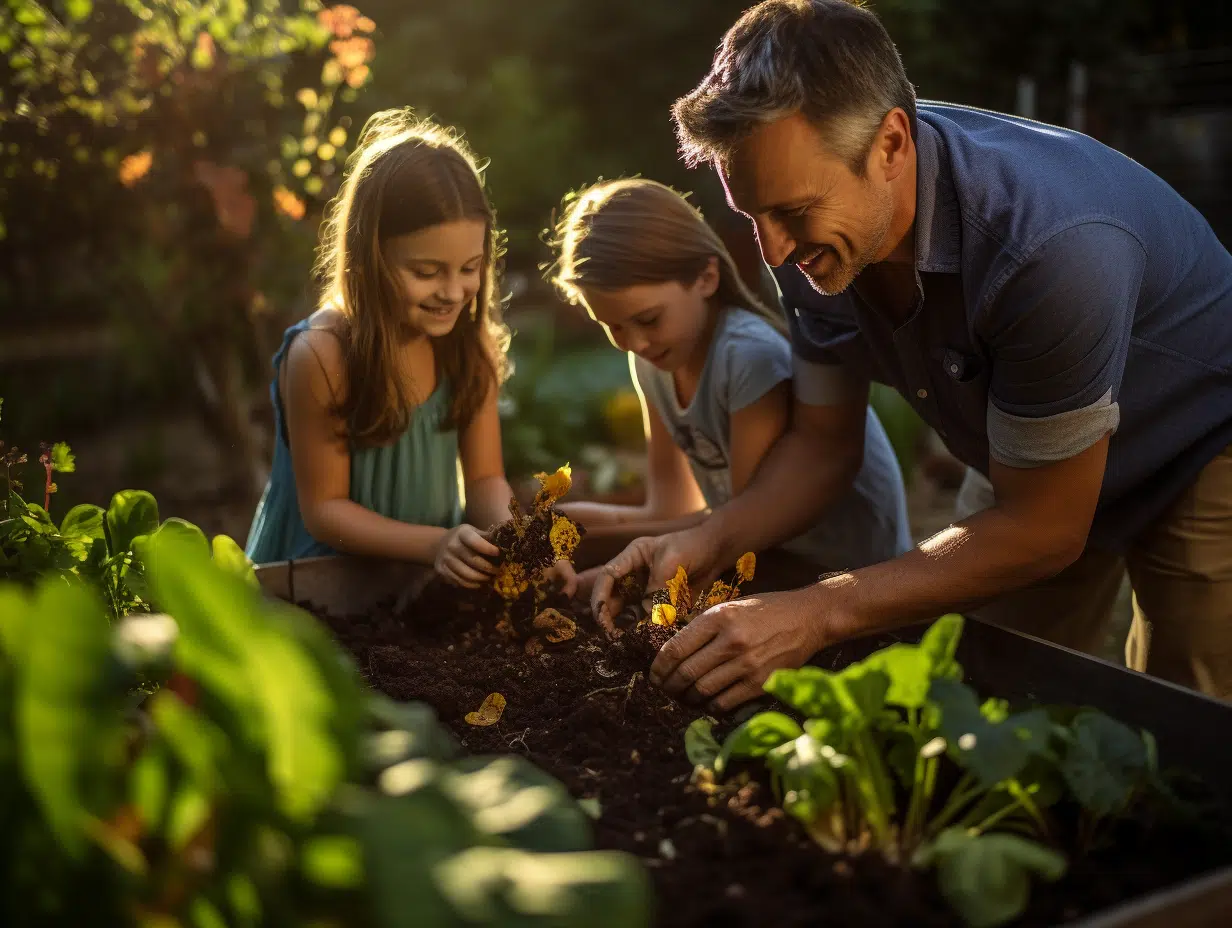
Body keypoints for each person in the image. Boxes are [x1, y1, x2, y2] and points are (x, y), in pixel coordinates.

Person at [592, 0, 1232, 707]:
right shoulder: (809, 228)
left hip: (1201, 440)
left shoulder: (1047, 248)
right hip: (1030, 453)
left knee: (1185, 720)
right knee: (977, 697)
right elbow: (822, 445)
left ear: (892, 145)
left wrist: (817, 609)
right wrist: (710, 538)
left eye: (791, 213)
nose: (770, 251)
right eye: (752, 216)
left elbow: (1044, 528)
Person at [546, 178, 911, 614]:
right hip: (756, 560)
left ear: (706, 276)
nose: (635, 342)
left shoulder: (747, 359)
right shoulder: (654, 362)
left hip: (842, 577)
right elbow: (670, 506)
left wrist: (590, 546)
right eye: (614, 328)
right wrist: (554, 532)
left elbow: (741, 531)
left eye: (648, 319)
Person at [245, 109, 521, 590]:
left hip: (421, 585)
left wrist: (518, 541)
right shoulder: (322, 356)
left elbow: (483, 481)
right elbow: (325, 511)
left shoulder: (465, 346)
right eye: (427, 272)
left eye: (470, 268)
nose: (453, 292)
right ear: (371, 256)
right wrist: (434, 544)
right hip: (319, 583)